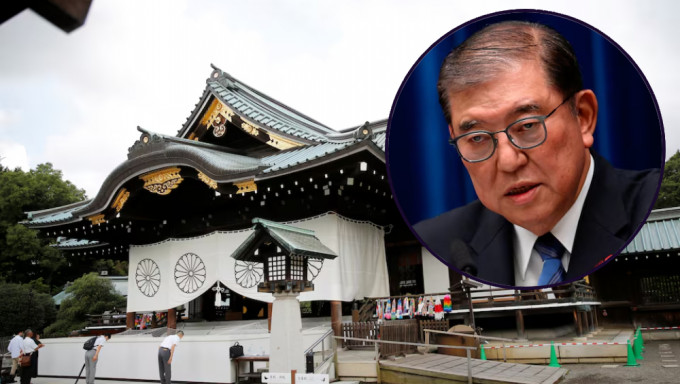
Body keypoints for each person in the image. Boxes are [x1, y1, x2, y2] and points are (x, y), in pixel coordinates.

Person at [414, 20, 660, 287]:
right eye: (477, 138)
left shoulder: (650, 206)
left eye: (528, 126)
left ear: (583, 117)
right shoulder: (438, 240)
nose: (508, 161)